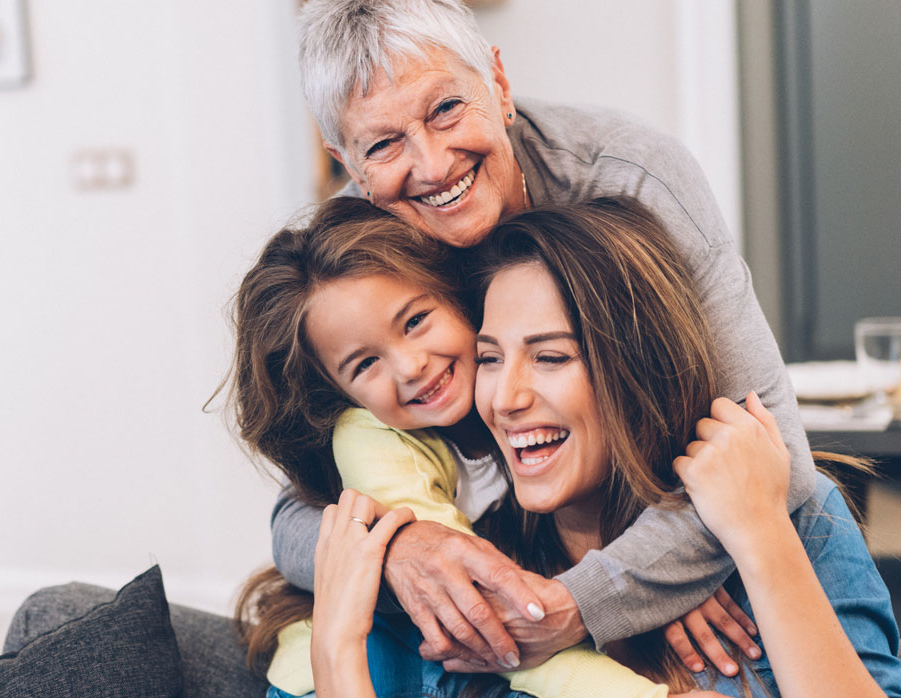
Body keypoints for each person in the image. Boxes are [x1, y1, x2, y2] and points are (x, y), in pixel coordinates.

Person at [271, 0, 815, 675]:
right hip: (521, 554)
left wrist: (587, 596)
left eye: (444, 109)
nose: (432, 164)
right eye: (382, 145)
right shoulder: (359, 249)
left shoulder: (630, 179)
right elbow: (295, 518)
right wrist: (403, 547)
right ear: (344, 159)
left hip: (658, 541)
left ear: (497, 84)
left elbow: (771, 454)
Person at [285, 199, 901, 697]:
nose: (504, 398)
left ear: (638, 368)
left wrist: (758, 536)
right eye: (488, 358)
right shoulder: (490, 567)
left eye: (552, 356)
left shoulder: (795, 521)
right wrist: (338, 650)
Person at [231, 196, 677, 697]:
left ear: (457, 296)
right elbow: (480, 609)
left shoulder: (518, 411)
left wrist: (658, 587)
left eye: (415, 321)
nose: (410, 366)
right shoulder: (371, 441)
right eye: (364, 365)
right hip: (359, 669)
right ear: (339, 394)